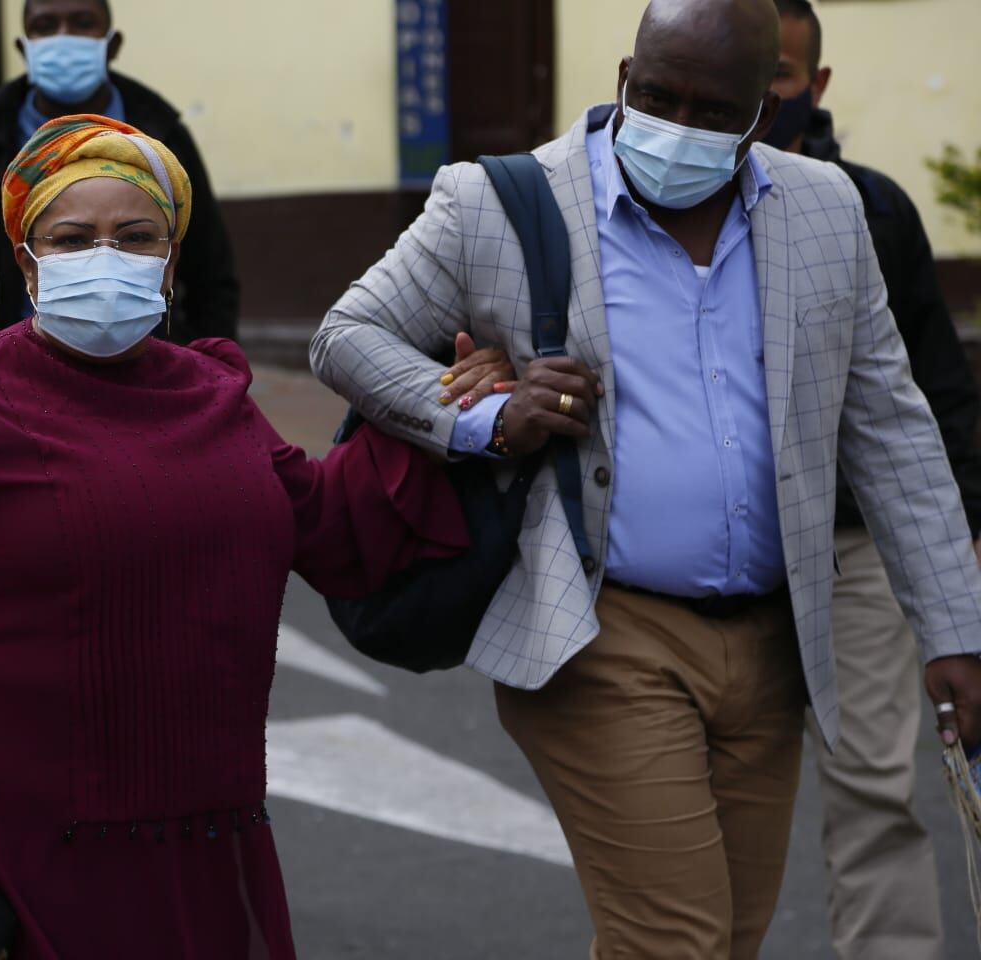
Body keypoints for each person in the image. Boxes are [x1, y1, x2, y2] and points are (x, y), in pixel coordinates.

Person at [309, 0, 981, 955]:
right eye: (657, 96)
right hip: (602, 630)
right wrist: (487, 417)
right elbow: (347, 336)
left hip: (772, 642)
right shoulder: (497, 202)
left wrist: (955, 629)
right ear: (624, 77)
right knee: (678, 940)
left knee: (721, 939)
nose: (677, 127)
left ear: (764, 112)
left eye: (714, 112)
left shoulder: (827, 210)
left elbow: (891, 430)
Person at [0, 115, 480, 959]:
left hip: (206, 842)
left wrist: (447, 405)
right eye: (71, 239)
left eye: (136, 238)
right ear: (26, 261)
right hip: (18, 850)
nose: (106, 259)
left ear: (170, 262)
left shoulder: (214, 392)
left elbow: (329, 522)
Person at [766, 3, 981, 956]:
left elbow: (930, 396)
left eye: (776, 75)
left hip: (851, 555)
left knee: (873, 794)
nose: (753, 97)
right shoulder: (655, 206)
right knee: (704, 806)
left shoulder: (872, 212)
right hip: (710, 564)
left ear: (815, 86)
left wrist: (959, 566)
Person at [0, 0, 239, 344]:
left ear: (112, 44)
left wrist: (209, 363)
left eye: (82, 23)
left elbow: (210, 274)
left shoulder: (162, 137)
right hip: (30, 360)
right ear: (24, 47)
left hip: (149, 354)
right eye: (45, 26)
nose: (64, 38)